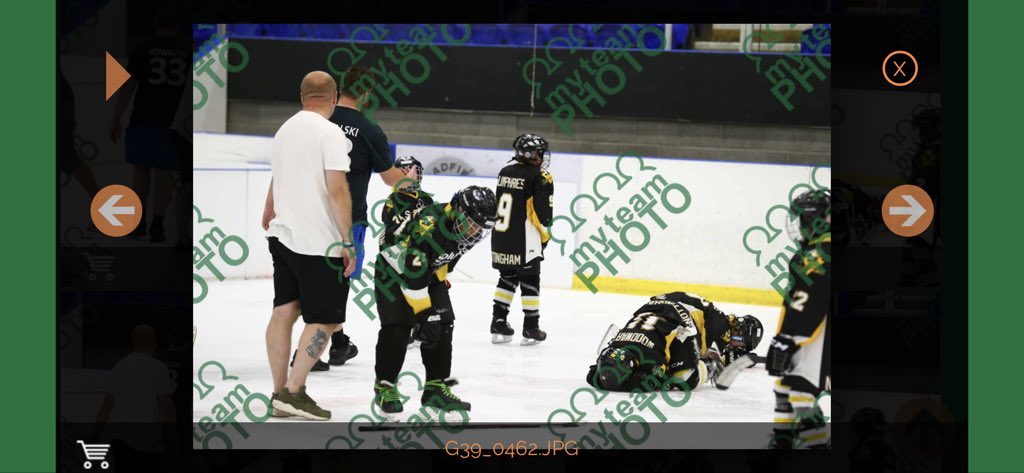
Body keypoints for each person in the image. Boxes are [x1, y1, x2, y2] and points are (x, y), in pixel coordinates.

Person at [262, 71, 357, 420]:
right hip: (319, 243)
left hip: (282, 235)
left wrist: (269, 205)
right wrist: (347, 240)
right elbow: (337, 189)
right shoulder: (331, 133)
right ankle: (295, 391)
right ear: (334, 98)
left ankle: (278, 392)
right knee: (325, 320)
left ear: (301, 96)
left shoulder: (284, 129)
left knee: (284, 310)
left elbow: (278, 173)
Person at [372, 186, 497, 416]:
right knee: (398, 327)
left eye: (482, 227)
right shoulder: (430, 225)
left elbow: (445, 259)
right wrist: (423, 313)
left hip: (425, 271)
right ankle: (385, 385)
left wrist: (438, 288)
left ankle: (435, 388)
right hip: (393, 271)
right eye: (473, 223)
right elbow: (412, 274)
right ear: (457, 211)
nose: (476, 231)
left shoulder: (465, 229)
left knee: (443, 322)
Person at [321, 66, 407, 368]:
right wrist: (412, 184)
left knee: (316, 282)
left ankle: (339, 343)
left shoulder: (321, 119)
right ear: (368, 94)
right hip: (349, 220)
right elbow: (390, 179)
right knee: (337, 287)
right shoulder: (369, 130)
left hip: (311, 215)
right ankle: (313, 350)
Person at [108, 7, 189, 243]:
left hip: (143, 119)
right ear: (176, 26)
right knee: (164, 174)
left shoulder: (143, 49)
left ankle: (138, 223)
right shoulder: (184, 52)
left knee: (141, 171)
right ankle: (158, 226)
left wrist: (116, 117)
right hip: (171, 122)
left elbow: (128, 86)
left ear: (157, 24)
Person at [586, 292, 763, 392]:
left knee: (686, 377)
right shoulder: (615, 346)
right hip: (665, 312)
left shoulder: (637, 352)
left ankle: (710, 363)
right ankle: (714, 360)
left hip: (669, 313)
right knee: (684, 376)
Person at [765, 188, 831, 448]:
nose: (800, 226)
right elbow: (794, 302)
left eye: (803, 219)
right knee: (784, 387)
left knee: (802, 394)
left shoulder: (821, 253)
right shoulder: (813, 251)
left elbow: (810, 300)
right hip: (807, 334)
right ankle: (783, 440)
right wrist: (782, 337)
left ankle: (816, 446)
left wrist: (790, 339)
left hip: (818, 337)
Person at [490, 133, 555, 345]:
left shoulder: (504, 171)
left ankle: (498, 321)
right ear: (529, 154)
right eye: (539, 152)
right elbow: (543, 214)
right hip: (525, 237)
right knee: (530, 280)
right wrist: (544, 236)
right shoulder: (540, 176)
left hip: (501, 236)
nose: (542, 156)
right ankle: (531, 327)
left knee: (507, 278)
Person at [378, 156, 436, 349]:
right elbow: (393, 228)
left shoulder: (426, 198)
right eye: (406, 172)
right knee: (401, 292)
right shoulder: (392, 200)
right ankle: (404, 327)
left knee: (421, 287)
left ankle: (420, 325)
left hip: (419, 253)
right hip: (396, 253)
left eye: (414, 172)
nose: (412, 176)